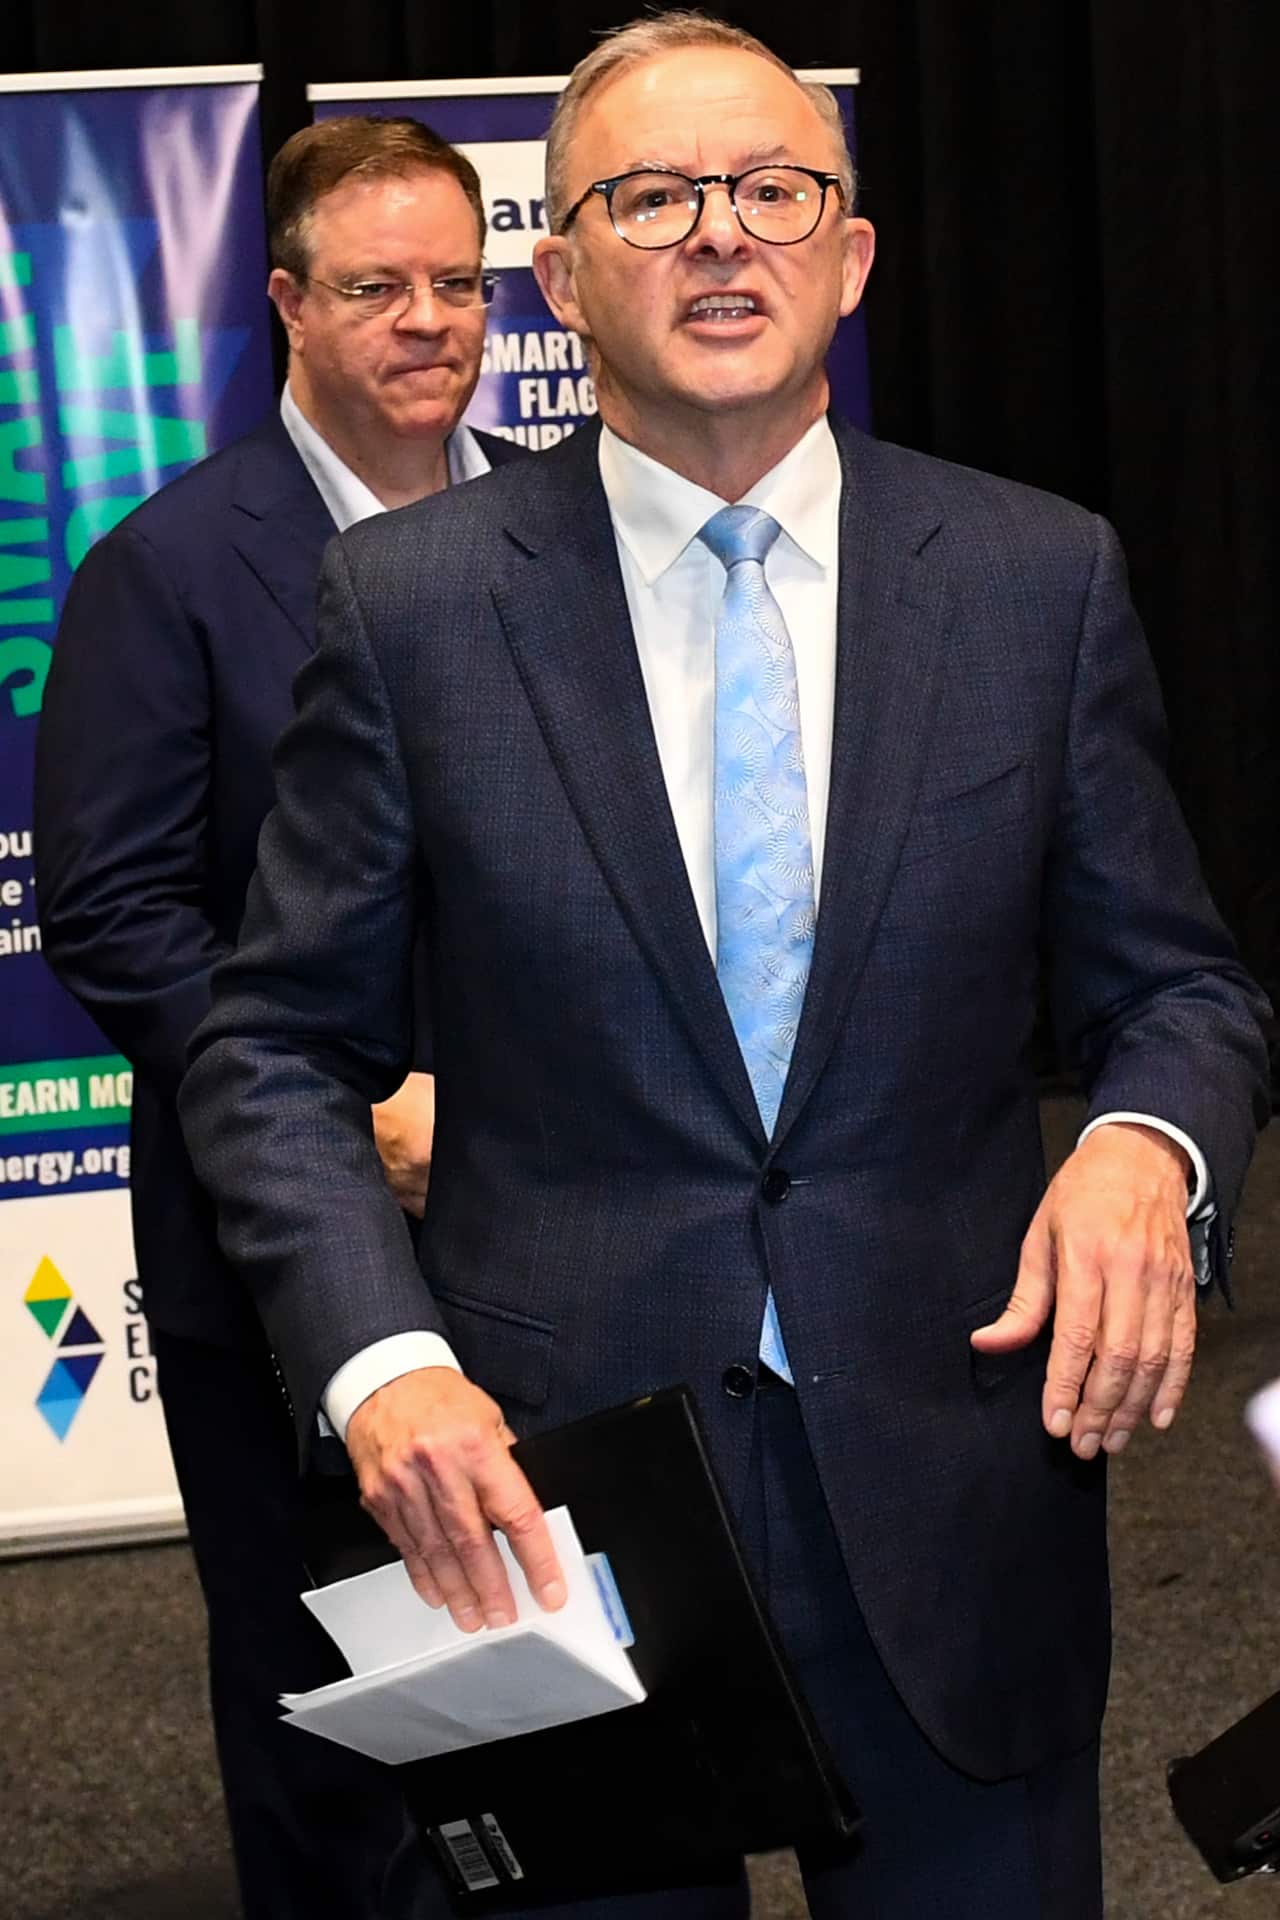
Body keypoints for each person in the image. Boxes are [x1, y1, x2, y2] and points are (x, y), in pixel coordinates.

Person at [177, 18, 1270, 1919]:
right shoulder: (416, 608)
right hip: (557, 1514)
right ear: (563, 272)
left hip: (958, 1474)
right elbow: (273, 1049)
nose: (719, 238)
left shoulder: (1035, 579)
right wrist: (379, 1366)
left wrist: (1142, 1151)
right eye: (653, 197)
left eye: (774, 192)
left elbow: (1177, 987)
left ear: (850, 257)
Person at [35, 115, 523, 1920]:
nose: (428, 324)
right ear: (291, 307)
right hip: (283, 1214)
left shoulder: (559, 521)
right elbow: (111, 905)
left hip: (547, 1188)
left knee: (557, 1628)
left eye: (458, 285)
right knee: (330, 1654)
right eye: (379, 288)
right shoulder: (166, 568)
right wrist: (340, 1102)